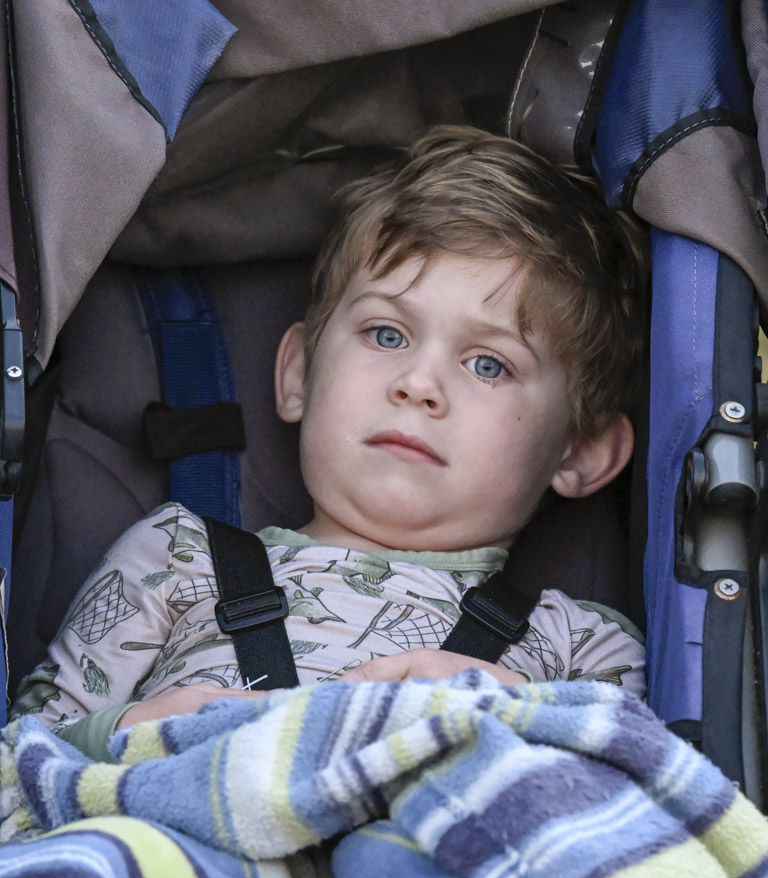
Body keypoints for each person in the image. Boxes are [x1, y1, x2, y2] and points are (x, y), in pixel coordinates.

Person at [11, 126, 647, 761]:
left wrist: (517, 711)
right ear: (299, 375)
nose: (419, 384)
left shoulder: (579, 646)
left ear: (580, 451)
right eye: (387, 335)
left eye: (488, 365)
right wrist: (130, 732)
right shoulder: (177, 558)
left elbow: (644, 788)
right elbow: (19, 765)